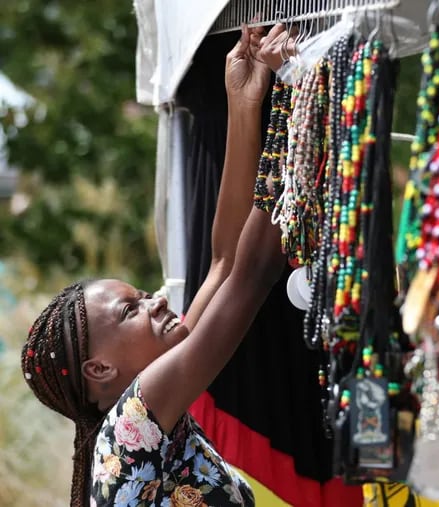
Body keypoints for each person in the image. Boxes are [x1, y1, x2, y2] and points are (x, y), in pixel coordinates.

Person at [21, 23, 297, 507]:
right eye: (132, 310)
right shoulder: (134, 421)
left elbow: (225, 261)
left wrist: (244, 102)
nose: (160, 300)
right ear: (100, 367)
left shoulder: (134, 434)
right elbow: (251, 275)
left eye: (142, 295)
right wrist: (296, 100)